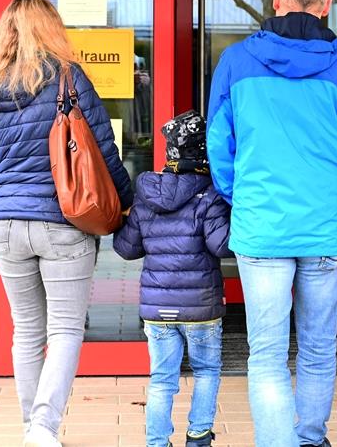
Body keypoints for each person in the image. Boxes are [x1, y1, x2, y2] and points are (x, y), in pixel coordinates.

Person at [206, 0, 337, 447]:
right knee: (317, 350)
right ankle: (309, 439)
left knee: (266, 354)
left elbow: (218, 150)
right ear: (327, 6)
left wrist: (239, 198)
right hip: (325, 236)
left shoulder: (235, 63)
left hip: (261, 232)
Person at [0, 0, 133, 447]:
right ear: (51, 28)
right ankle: (42, 427)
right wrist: (123, 200)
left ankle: (31, 428)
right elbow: (102, 152)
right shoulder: (67, 77)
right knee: (63, 329)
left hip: (3, 224)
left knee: (26, 329)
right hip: (63, 222)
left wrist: (6, 199)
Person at [114, 110, 232, 447]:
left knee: (162, 379)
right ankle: (198, 436)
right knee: (207, 371)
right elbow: (221, 246)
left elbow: (126, 248)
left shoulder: (147, 195)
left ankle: (156, 442)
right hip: (201, 309)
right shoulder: (210, 196)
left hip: (157, 309)